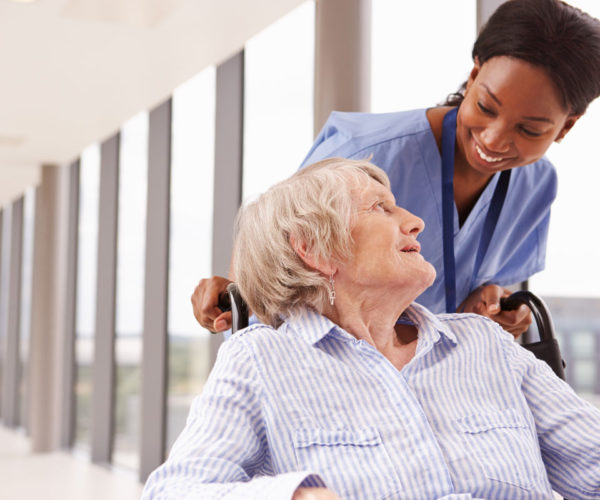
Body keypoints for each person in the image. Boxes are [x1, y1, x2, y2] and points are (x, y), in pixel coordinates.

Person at [143, 158, 600, 500]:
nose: (414, 221)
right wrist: (294, 496)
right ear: (315, 249)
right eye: (381, 208)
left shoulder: (484, 344)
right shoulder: (262, 360)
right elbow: (176, 490)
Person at [191, 0, 600, 337]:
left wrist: (493, 301)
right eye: (486, 106)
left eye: (529, 129)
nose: (493, 140)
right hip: (331, 375)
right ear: (474, 74)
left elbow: (489, 284)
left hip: (436, 379)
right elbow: (270, 266)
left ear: (566, 125)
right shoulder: (363, 151)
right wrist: (231, 291)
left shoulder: (537, 185)